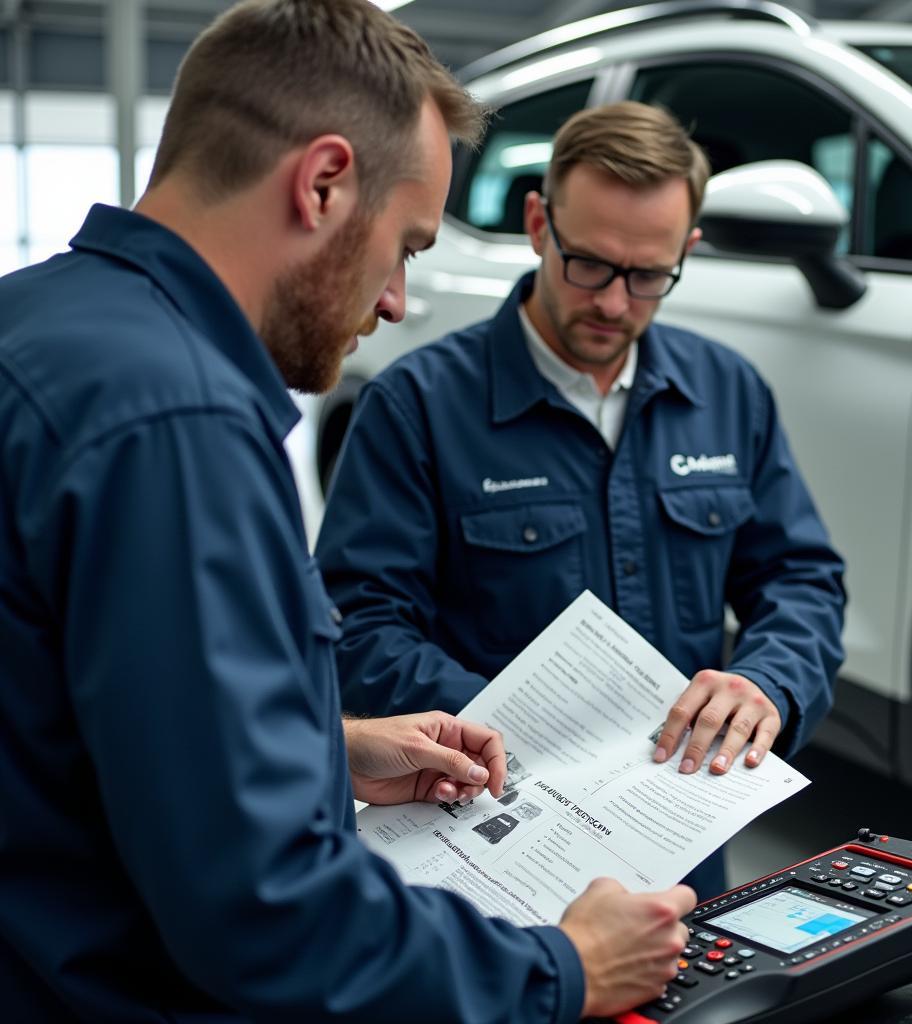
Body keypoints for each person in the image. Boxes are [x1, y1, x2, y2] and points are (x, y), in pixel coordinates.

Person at [0, 4, 697, 1021]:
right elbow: (266, 910)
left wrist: (329, 747)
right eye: (404, 245)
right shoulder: (177, 420)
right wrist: (562, 966)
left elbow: (70, 717)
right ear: (324, 184)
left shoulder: (38, 320)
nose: (395, 303)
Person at [315, 101, 847, 899]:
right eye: (589, 264)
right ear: (538, 224)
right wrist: (522, 729)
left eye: (647, 276)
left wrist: (769, 684)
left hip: (678, 851)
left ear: (687, 251)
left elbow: (802, 580)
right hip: (493, 840)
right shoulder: (416, 408)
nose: (611, 302)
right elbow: (360, 625)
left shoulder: (729, 394)